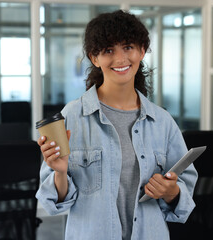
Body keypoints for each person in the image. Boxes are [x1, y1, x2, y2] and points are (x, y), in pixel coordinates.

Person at [36, 10, 197, 240]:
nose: (120, 59)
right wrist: (60, 173)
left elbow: (184, 202)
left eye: (128, 47)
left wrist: (172, 192)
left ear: (142, 51)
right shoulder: (72, 115)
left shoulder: (162, 122)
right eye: (109, 50)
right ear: (94, 57)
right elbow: (54, 205)